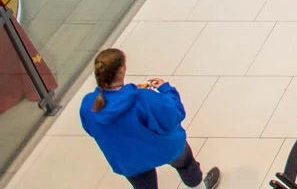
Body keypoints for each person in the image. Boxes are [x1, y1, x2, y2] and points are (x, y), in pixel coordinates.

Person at [81, 49, 219, 189]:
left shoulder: (88, 104)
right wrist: (166, 89)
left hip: (128, 159)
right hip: (163, 148)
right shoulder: (143, 98)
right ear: (122, 69)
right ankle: (198, 186)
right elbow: (174, 115)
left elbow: (91, 130)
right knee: (186, 164)